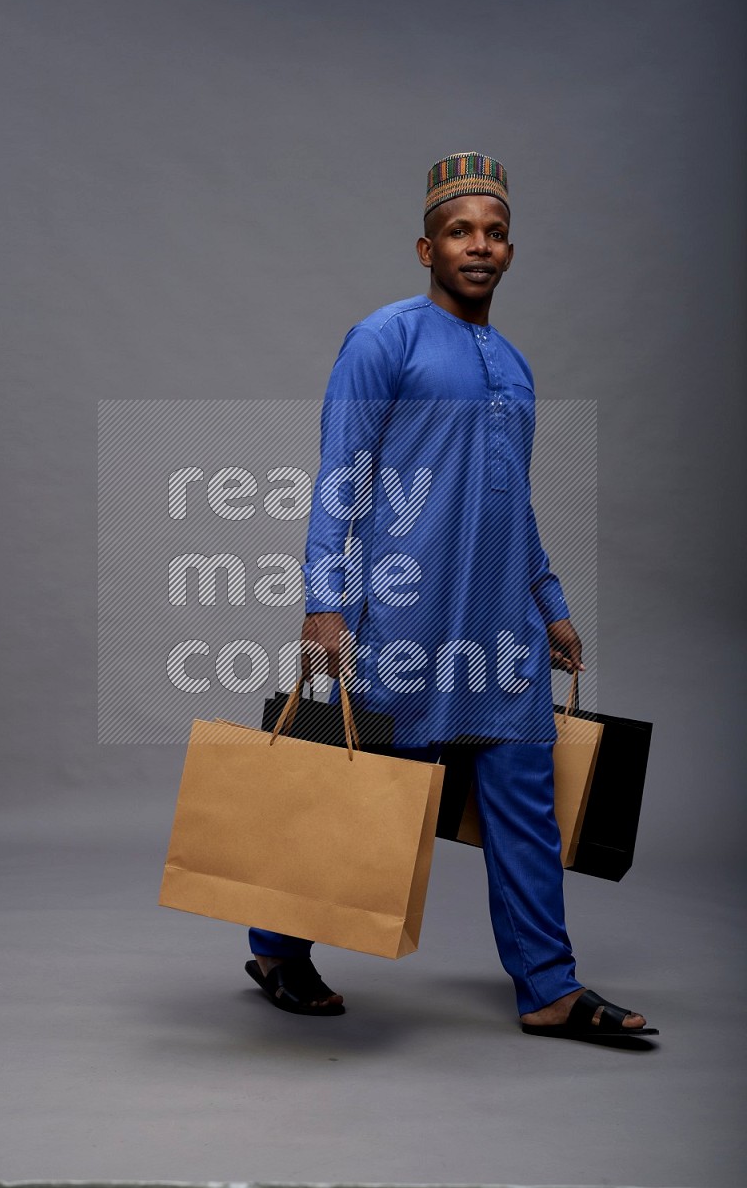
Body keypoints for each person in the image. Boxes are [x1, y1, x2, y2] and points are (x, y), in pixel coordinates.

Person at [244, 153, 657, 1042]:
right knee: (359, 795)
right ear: (425, 245)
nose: (479, 245)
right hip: (404, 617)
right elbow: (340, 474)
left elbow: (513, 494)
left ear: (511, 250)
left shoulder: (514, 366)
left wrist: (547, 599)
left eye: (495, 231)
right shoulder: (383, 338)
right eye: (461, 230)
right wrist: (323, 599)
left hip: (499, 625)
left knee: (525, 797)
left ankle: (548, 985)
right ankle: (278, 944)